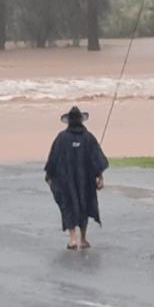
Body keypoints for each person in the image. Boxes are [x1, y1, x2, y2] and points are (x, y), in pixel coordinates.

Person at [44, 105, 108, 250]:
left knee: (68, 205)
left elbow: (53, 159)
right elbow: (97, 160)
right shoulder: (89, 137)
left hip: (66, 180)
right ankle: (84, 239)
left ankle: (73, 239)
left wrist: (49, 177)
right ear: (81, 121)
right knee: (84, 205)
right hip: (85, 180)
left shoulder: (61, 138)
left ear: (68, 122)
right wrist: (100, 176)